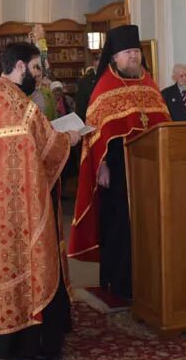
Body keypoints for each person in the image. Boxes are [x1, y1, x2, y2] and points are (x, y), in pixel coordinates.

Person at [0, 41, 80, 360]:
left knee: (11, 258)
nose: (38, 76)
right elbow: (47, 145)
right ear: (21, 65)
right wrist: (71, 137)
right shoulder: (18, 104)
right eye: (35, 67)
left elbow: (30, 141)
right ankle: (31, 340)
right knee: (31, 260)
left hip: (4, 200)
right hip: (23, 201)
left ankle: (9, 336)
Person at [68, 25, 171, 301]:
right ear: (114, 57)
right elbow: (94, 133)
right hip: (117, 173)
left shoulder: (148, 83)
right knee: (119, 227)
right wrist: (100, 166)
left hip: (149, 172)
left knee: (149, 225)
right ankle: (120, 282)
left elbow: (164, 124)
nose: (134, 57)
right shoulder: (104, 87)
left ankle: (149, 278)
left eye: (136, 52)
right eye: (128, 53)